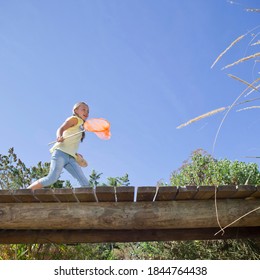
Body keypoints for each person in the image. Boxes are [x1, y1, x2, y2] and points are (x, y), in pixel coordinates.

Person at [27, 102, 90, 190]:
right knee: (51, 179)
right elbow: (61, 128)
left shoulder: (80, 127)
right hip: (60, 153)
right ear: (75, 111)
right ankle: (27, 190)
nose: (86, 112)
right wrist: (59, 136)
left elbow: (70, 143)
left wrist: (76, 154)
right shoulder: (75, 119)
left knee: (85, 184)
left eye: (88, 111)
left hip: (71, 157)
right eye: (83, 109)